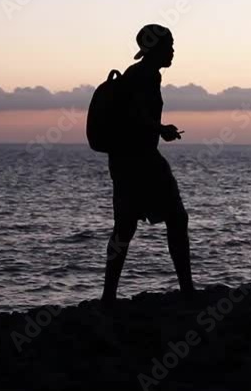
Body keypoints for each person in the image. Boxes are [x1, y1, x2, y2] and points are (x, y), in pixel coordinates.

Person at [102, 24, 195, 304]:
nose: (173, 50)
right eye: (169, 45)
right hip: (139, 160)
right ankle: (187, 291)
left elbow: (137, 115)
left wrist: (158, 129)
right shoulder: (144, 76)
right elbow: (135, 115)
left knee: (125, 227)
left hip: (128, 160)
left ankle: (108, 297)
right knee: (174, 218)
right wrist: (160, 128)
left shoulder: (143, 74)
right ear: (156, 49)